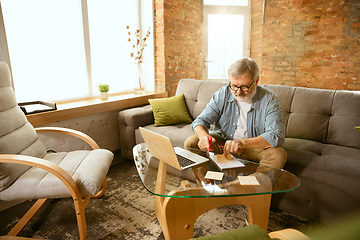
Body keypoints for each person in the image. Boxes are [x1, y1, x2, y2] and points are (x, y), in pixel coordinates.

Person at [184, 57, 287, 171]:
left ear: (256, 81)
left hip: (251, 147)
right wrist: (204, 137)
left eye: (244, 86)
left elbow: (276, 135)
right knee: (192, 142)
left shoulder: (269, 99)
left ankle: (255, 187)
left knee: (278, 155)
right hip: (223, 143)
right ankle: (205, 182)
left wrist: (242, 143)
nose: (238, 92)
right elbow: (200, 121)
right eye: (234, 86)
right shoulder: (223, 93)